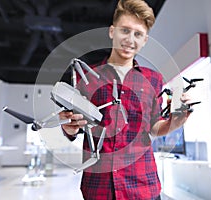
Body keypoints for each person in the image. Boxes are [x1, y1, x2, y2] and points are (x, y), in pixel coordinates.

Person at [59, 0, 191, 199]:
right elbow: (75, 126)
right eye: (125, 31)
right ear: (112, 32)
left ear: (145, 39)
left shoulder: (153, 80)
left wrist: (175, 122)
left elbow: (154, 128)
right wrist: (69, 128)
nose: (130, 39)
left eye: (138, 34)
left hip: (143, 186)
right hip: (99, 188)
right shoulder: (86, 79)